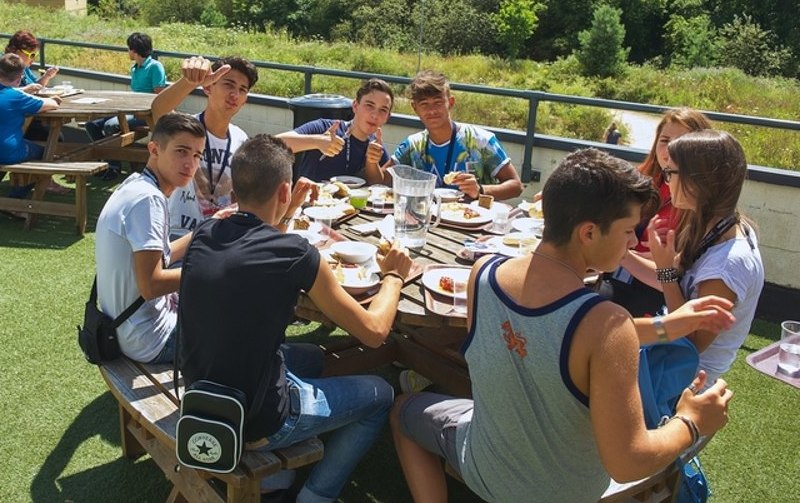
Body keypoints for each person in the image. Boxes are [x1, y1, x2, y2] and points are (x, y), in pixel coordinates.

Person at [391, 147, 735, 502]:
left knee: (403, 409)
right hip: (569, 493)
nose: (634, 242)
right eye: (628, 230)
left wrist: (667, 326)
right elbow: (628, 462)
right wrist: (692, 421)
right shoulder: (605, 324)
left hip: (485, 469)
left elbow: (559, 333)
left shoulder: (483, 274)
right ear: (588, 233)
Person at [178, 134, 414, 502]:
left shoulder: (205, 233)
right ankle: (315, 496)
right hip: (259, 421)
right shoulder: (296, 253)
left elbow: (260, 243)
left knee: (314, 356)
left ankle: (277, 479)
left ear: (235, 190)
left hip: (201, 395)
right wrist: (394, 276)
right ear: (285, 191)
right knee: (382, 393)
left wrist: (287, 212)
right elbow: (374, 332)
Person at [648, 129, 764, 388]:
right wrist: (624, 256)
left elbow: (691, 341)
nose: (667, 181)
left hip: (684, 384)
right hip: (673, 366)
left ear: (697, 182)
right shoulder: (718, 225)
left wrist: (665, 272)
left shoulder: (727, 265)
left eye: (670, 173)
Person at [94, 113, 207, 364]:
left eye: (197, 155)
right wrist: (211, 271)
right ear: (154, 149)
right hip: (150, 339)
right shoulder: (149, 200)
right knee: (243, 316)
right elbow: (151, 285)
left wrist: (207, 228)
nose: (190, 164)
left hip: (123, 329)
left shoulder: (135, 185)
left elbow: (160, 258)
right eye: (181, 151)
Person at [599, 108, 713, 317]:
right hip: (614, 279)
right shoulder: (641, 179)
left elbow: (671, 279)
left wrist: (619, 250)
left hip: (655, 301)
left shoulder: (700, 207)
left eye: (681, 142)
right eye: (665, 140)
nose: (670, 150)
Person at [368, 70, 523, 201]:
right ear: (415, 108)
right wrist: (372, 161)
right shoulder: (413, 144)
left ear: (451, 102)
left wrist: (480, 190)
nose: (432, 111)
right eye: (424, 104)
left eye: (438, 102)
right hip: (426, 221)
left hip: (473, 222)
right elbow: (381, 182)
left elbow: (516, 186)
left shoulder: (481, 140)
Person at [277, 78, 393, 182]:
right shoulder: (325, 128)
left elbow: (379, 185)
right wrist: (317, 141)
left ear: (387, 117)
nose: (375, 115)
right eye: (369, 105)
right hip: (311, 198)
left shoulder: (376, 146)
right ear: (355, 106)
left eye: (383, 110)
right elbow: (274, 144)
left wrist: (372, 162)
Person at [85, 33, 166, 147]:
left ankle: (111, 157)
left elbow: (160, 95)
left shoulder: (155, 67)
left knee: (110, 125)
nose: (127, 51)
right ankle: (106, 153)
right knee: (91, 125)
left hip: (146, 113)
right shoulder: (134, 68)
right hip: (131, 109)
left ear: (134, 51)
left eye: (128, 49)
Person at [0, 53, 60, 196]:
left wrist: (23, 90)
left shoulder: (14, 94)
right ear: (20, 77)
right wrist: (54, 99)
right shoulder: (16, 97)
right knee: (44, 153)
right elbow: (52, 104)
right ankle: (17, 198)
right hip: (7, 151)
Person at [4, 30, 58, 95]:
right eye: (31, 55)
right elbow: (3, 93)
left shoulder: (23, 67)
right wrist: (25, 89)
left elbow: (35, 86)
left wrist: (47, 76)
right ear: (16, 51)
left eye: (34, 55)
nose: (33, 59)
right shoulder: (3, 66)